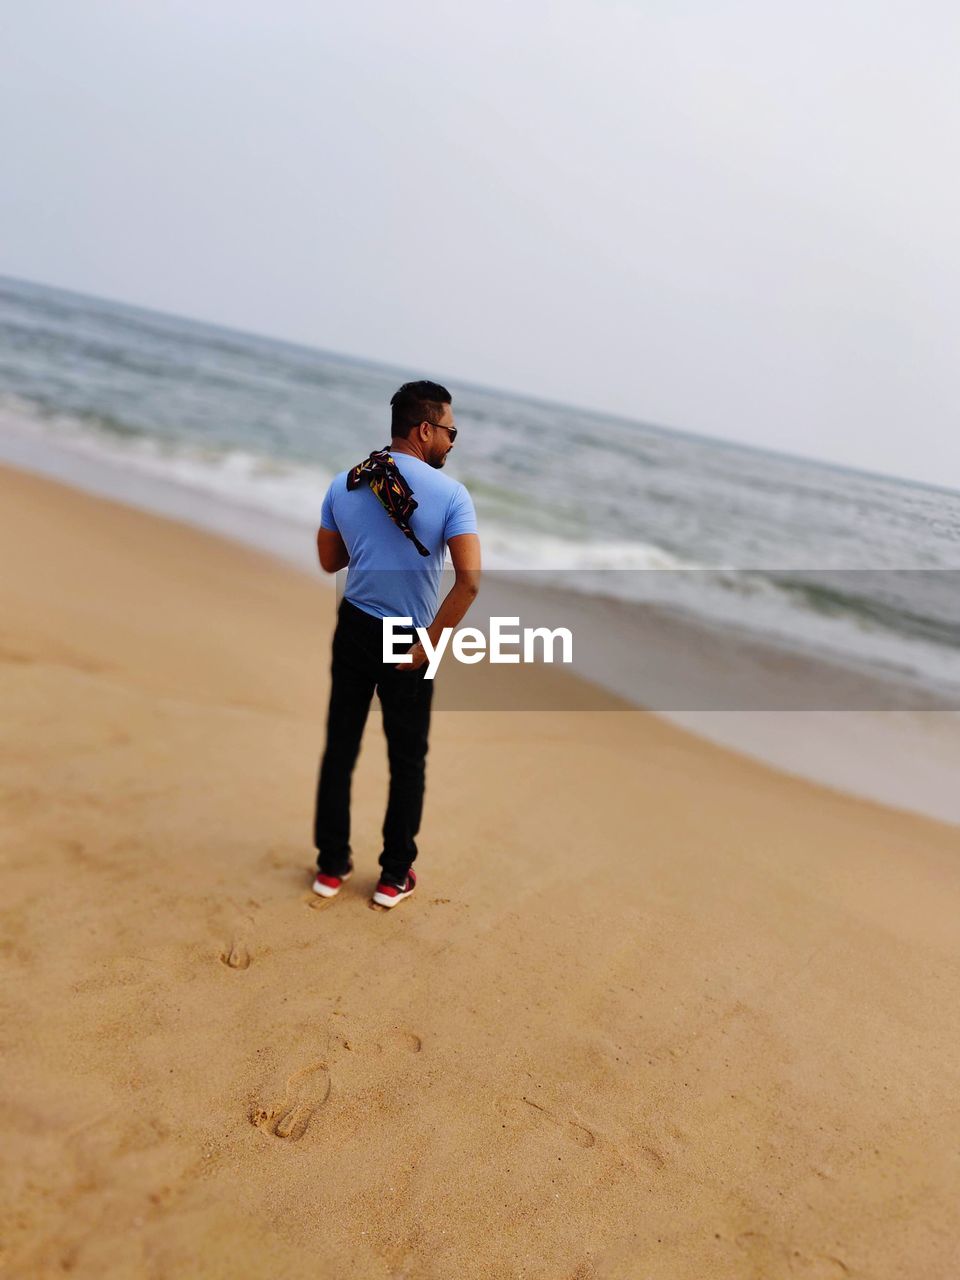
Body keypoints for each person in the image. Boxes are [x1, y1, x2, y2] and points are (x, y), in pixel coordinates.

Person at [312, 381, 481, 908]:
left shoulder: (348, 482)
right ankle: (393, 877)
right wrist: (429, 644)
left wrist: (369, 537)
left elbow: (329, 561)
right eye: (451, 431)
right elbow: (470, 581)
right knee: (408, 760)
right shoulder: (452, 496)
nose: (453, 441)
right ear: (425, 428)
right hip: (409, 637)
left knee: (341, 747)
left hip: (356, 625)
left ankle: (331, 867)